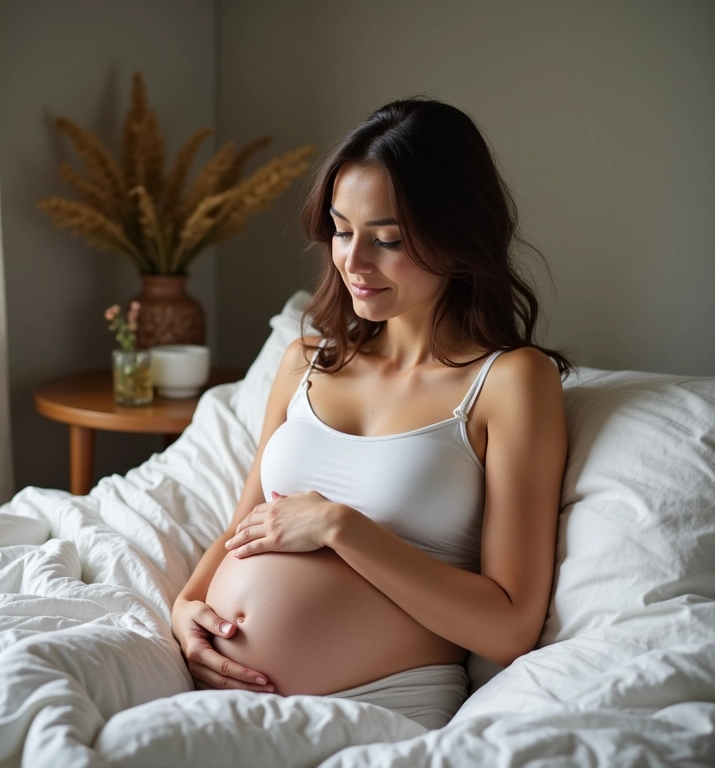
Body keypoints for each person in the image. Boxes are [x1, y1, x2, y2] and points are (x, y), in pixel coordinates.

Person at [171, 97, 571, 729]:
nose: (354, 263)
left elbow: (509, 624)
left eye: (387, 240)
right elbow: (248, 523)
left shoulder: (510, 382)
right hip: (219, 696)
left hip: (378, 710)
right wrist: (188, 606)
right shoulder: (303, 359)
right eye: (341, 229)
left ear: (458, 235)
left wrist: (340, 527)